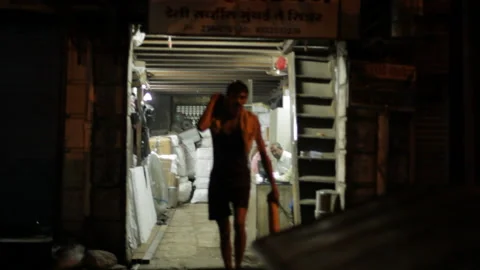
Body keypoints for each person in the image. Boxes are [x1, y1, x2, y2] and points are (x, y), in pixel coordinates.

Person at [197, 80, 279, 270]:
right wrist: (212, 101)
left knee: (240, 225)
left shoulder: (250, 120)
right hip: (219, 178)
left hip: (240, 178)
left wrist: (274, 185)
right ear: (228, 97)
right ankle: (229, 267)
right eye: (235, 97)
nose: (239, 101)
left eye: (242, 98)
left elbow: (264, 154)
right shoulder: (217, 118)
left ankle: (239, 265)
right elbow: (201, 126)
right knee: (224, 230)